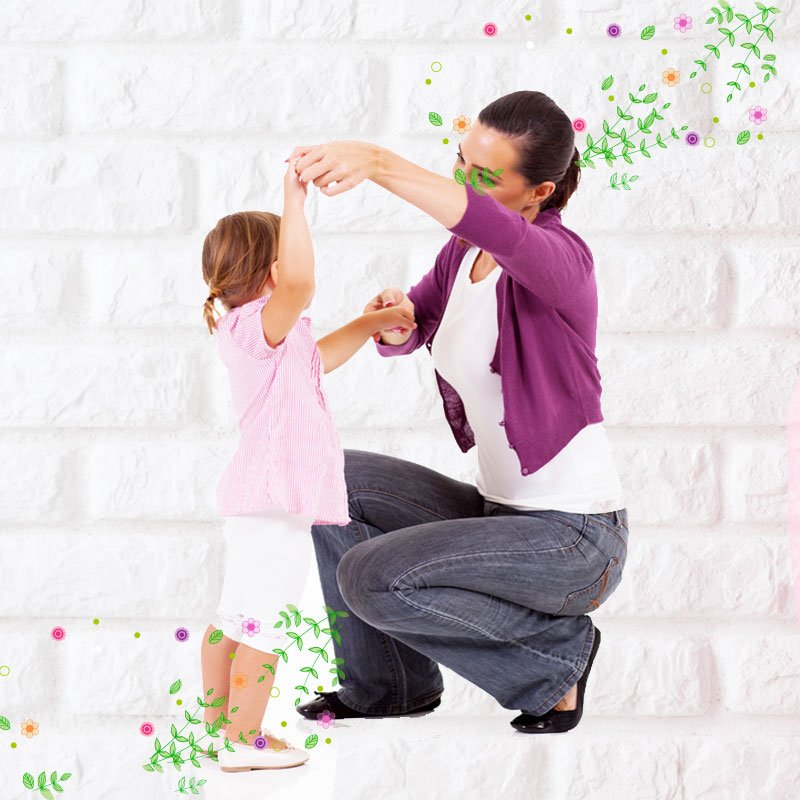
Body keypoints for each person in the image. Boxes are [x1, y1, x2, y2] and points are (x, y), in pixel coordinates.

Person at [288, 90, 630, 734]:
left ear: (539, 192)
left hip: (574, 541)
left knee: (371, 576)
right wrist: (396, 324)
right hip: (499, 516)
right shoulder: (463, 258)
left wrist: (379, 163)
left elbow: (487, 225)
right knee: (324, 476)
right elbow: (420, 315)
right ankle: (389, 685)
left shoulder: (561, 263)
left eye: (482, 177)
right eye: (460, 162)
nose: (462, 182)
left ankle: (554, 660)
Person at [199, 157, 416, 770]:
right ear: (271, 270)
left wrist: (371, 323)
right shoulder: (253, 327)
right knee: (263, 623)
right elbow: (299, 285)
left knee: (235, 616)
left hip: (260, 502)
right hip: (274, 502)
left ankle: (218, 731)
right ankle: (243, 741)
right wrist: (295, 201)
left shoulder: (268, 337)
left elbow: (318, 358)